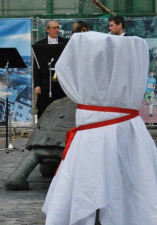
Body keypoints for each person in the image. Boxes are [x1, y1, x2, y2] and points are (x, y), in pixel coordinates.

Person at [42, 31, 157, 225]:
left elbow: (66, 70)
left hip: (102, 127)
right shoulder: (132, 51)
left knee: (104, 183)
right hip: (123, 128)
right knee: (133, 182)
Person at [33, 20, 68, 120]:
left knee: (61, 105)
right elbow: (37, 66)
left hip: (61, 81)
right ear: (47, 29)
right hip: (45, 80)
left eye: (58, 27)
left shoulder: (65, 42)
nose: (57, 30)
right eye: (54, 28)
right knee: (42, 106)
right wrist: (37, 85)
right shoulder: (39, 44)